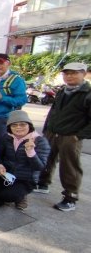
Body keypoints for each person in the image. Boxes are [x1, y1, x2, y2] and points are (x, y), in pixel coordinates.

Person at [36, 62, 90, 211]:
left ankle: (70, 197)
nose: (69, 76)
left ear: (83, 74)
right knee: (47, 157)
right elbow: (53, 111)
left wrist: (78, 136)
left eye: (74, 73)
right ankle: (43, 183)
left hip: (70, 136)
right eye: (66, 73)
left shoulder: (87, 93)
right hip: (52, 132)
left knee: (69, 166)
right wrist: (47, 128)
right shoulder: (62, 90)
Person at [0, 110, 50, 210]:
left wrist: (31, 152)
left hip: (25, 178)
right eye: (14, 125)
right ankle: (4, 188)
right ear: (9, 127)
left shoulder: (40, 141)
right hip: (5, 175)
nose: (18, 127)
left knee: (8, 196)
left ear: (29, 125)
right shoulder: (6, 137)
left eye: (22, 124)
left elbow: (39, 167)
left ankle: (21, 196)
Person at [0, 53, 27, 143]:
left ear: (8, 64)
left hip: (1, 119)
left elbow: (22, 100)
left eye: (1, 63)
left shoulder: (16, 80)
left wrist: (2, 98)